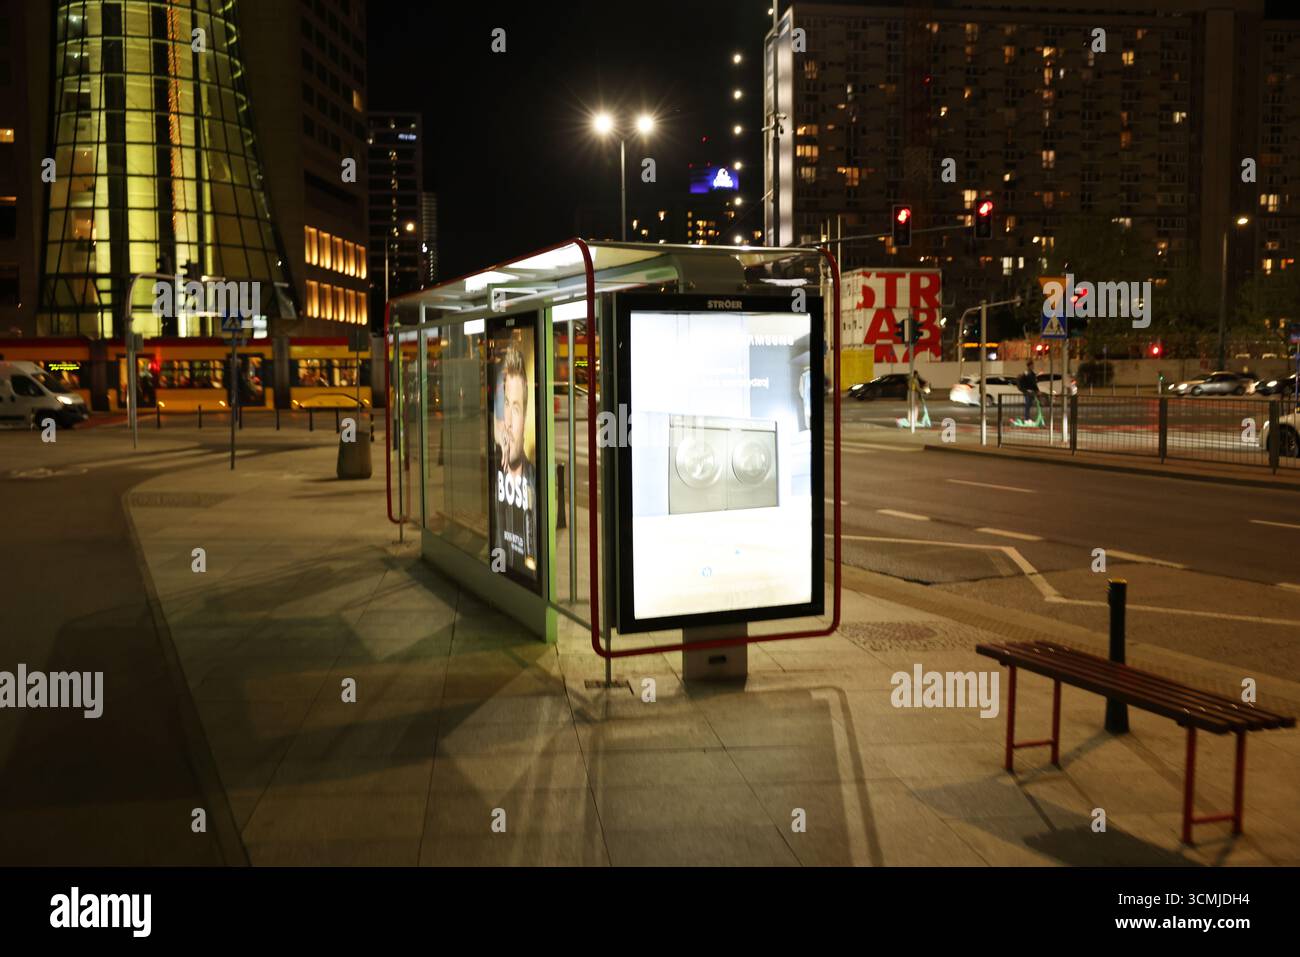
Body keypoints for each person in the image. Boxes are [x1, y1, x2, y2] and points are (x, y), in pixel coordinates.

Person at [492, 343, 537, 579]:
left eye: (516, 408)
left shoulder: (535, 487)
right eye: (506, 405)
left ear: (526, 418)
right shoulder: (497, 476)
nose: (508, 421)